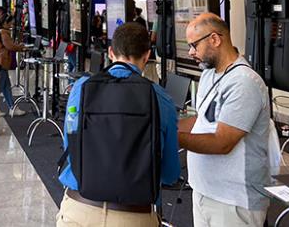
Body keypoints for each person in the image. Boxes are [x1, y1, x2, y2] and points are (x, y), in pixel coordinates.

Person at [57, 22, 180, 227]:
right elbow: (169, 173)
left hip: (78, 210)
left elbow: (70, 146)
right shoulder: (160, 98)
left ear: (111, 52)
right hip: (133, 217)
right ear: (147, 55)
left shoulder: (81, 88)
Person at [178, 13, 270, 227]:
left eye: (194, 45)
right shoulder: (209, 74)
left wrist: (172, 138)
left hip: (234, 201)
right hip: (204, 191)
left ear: (214, 40)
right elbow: (202, 121)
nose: (191, 52)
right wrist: (160, 126)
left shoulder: (244, 82)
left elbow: (222, 142)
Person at [0, 15, 26, 117]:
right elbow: (9, 46)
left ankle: (12, 107)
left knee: (6, 87)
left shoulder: (2, 32)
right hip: (2, 62)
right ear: (5, 23)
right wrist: (21, 47)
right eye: (11, 23)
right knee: (1, 86)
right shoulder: (4, 33)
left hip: (2, 62)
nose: (12, 25)